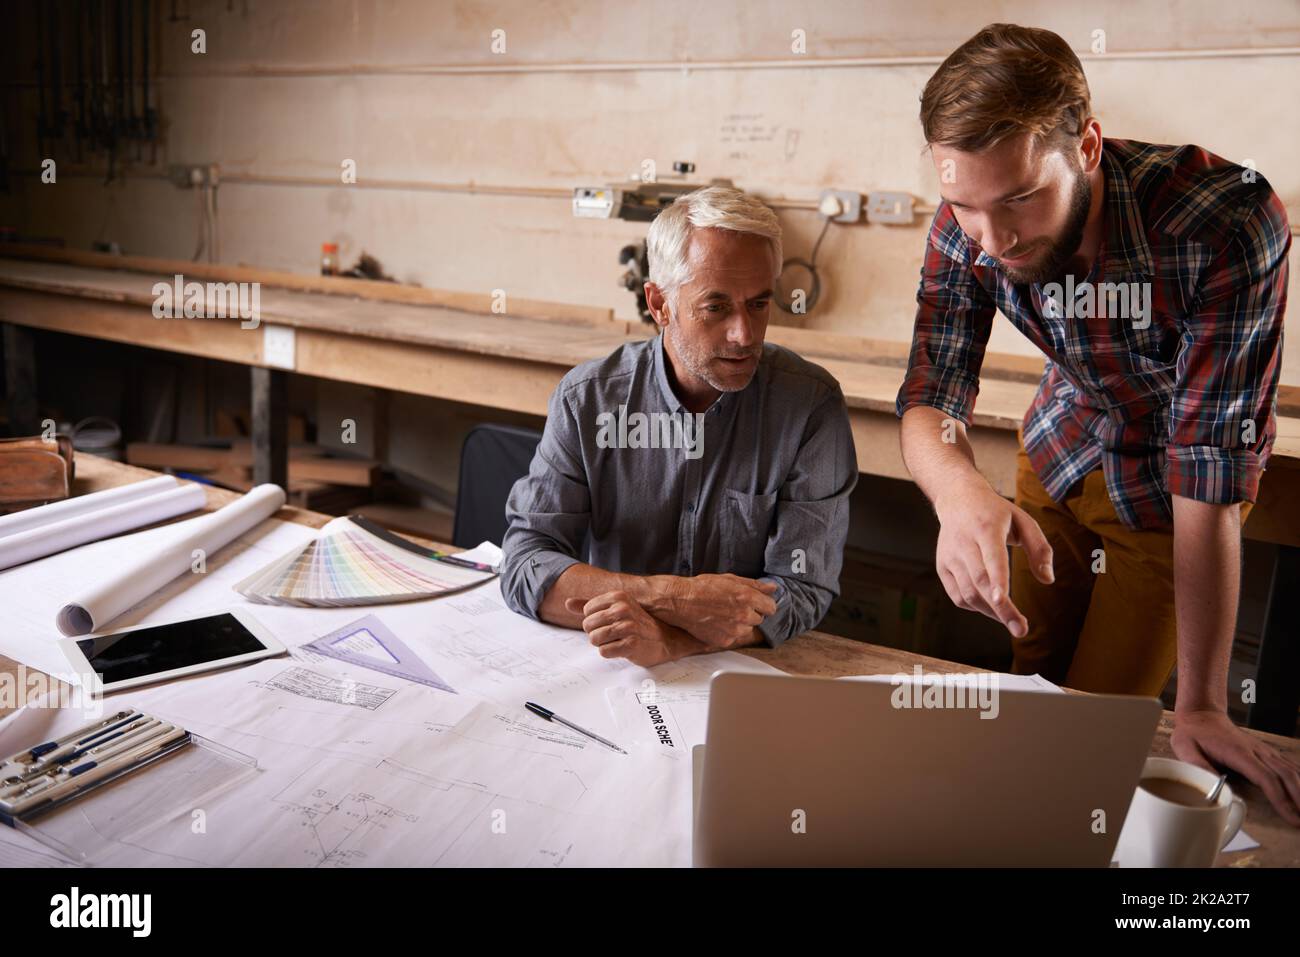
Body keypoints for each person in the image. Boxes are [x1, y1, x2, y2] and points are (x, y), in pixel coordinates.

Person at [896, 23, 1297, 824]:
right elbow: (932, 392)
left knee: (1091, 721)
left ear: (1085, 145)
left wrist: (1206, 704)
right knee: (1031, 672)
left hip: (1168, 493)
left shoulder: (1227, 223)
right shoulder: (967, 219)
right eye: (966, 207)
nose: (995, 239)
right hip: (1059, 450)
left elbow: (1208, 461)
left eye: (1018, 200)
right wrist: (957, 490)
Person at [500, 186, 857, 668]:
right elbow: (525, 566)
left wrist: (674, 644)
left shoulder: (809, 406)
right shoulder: (588, 400)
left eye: (758, 304)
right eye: (716, 307)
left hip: (738, 672)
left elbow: (804, 587)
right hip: (609, 663)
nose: (744, 335)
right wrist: (666, 597)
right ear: (659, 304)